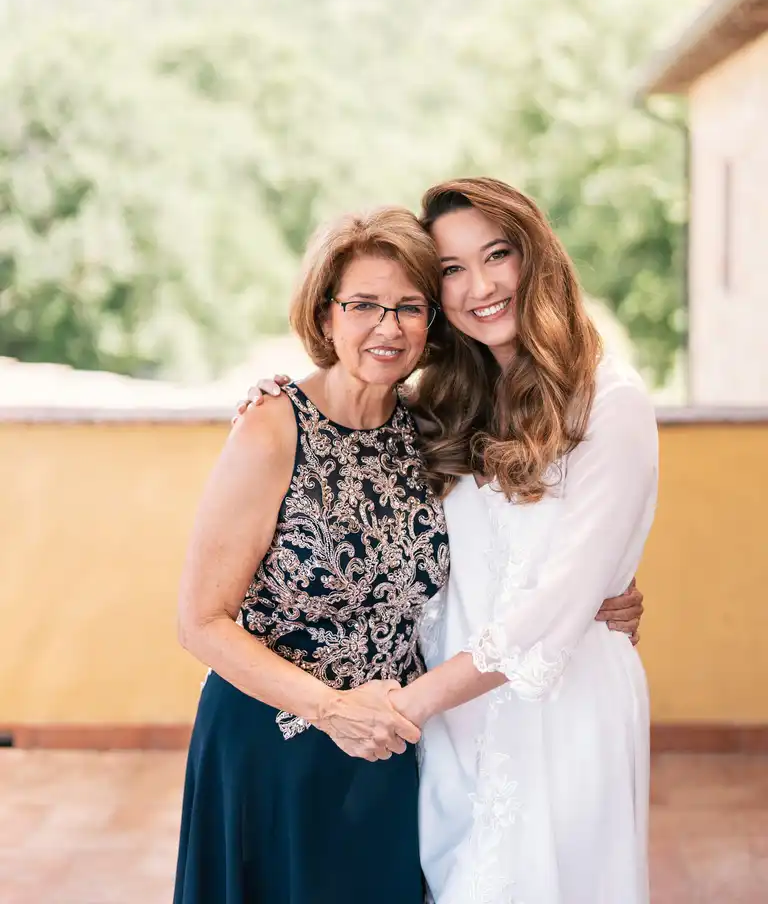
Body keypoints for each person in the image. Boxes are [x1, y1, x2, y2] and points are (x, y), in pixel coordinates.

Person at [239, 177, 656, 904]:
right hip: (453, 725)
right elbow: (355, 433)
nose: (480, 286)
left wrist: (402, 706)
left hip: (553, 712)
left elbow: (557, 604)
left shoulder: (610, 404)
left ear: (538, 257)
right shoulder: (444, 403)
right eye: (453, 270)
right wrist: (285, 400)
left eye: (498, 255)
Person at [173, 207, 450, 904]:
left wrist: (605, 589)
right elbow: (200, 622)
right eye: (364, 305)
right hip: (272, 749)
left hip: (385, 751)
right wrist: (331, 709)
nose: (387, 327)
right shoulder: (270, 429)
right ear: (326, 315)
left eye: (408, 307)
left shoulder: (434, 434)